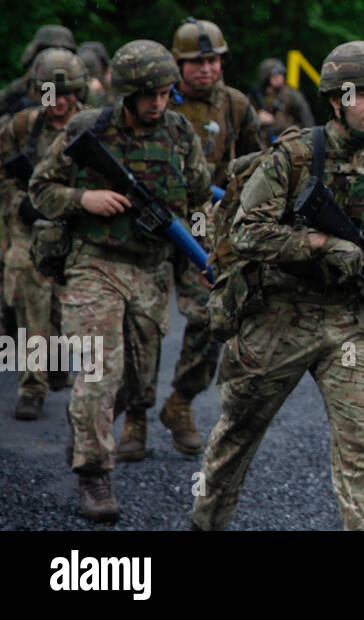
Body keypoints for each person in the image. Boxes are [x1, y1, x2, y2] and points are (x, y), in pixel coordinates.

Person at [191, 42, 364, 531]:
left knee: (363, 442)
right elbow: (246, 233)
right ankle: (206, 522)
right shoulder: (293, 156)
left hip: (350, 324)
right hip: (279, 315)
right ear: (336, 100)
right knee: (238, 435)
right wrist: (317, 243)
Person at [30, 40, 211, 522]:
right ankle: (93, 474)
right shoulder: (90, 128)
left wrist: (203, 256)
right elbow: (40, 190)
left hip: (151, 271)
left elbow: (198, 201)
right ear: (127, 93)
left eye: (165, 93)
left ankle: (90, 428)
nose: (158, 102)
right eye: (148, 94)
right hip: (95, 263)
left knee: (135, 385)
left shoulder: (179, 132)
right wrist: (83, 199)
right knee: (98, 372)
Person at [161, 17, 265, 457]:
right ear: (178, 64)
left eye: (212, 60)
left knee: (210, 315)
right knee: (140, 325)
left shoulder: (237, 105)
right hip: (150, 222)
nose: (206, 70)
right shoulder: (156, 100)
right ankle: (131, 415)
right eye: (195, 62)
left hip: (207, 227)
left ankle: (181, 400)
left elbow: (257, 167)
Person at [0, 49, 90, 418]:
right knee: (28, 300)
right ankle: (32, 384)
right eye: (52, 92)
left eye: (68, 93)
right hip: (30, 229)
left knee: (71, 310)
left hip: (78, 226)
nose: (60, 101)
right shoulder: (22, 127)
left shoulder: (93, 125)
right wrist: (18, 202)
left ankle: (60, 367)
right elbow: (3, 175)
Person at [250, 57, 314, 144]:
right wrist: (257, 118)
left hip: (290, 143)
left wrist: (273, 121)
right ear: (266, 78)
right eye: (275, 75)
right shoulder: (256, 96)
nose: (279, 78)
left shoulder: (293, 96)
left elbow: (308, 124)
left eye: (281, 74)